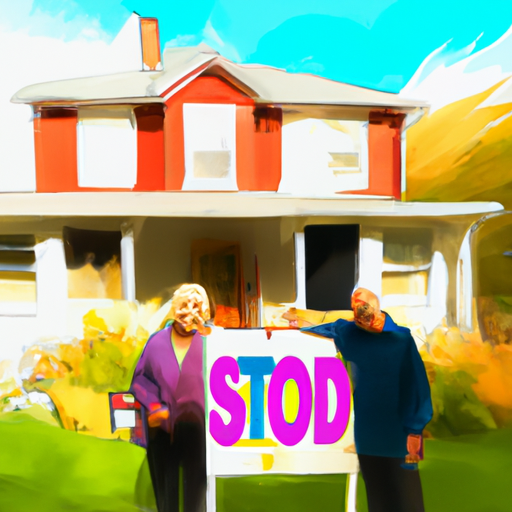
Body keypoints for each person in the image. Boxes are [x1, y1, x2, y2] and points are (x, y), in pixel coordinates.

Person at [300, 287, 433, 512]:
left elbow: (416, 386)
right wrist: (288, 324)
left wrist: (415, 429)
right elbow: (319, 326)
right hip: (369, 439)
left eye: (361, 306)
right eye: (354, 307)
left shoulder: (401, 340)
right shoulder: (348, 332)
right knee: (378, 502)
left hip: (400, 437)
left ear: (375, 307)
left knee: (408, 502)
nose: (357, 312)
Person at [131, 283, 212, 512]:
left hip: (199, 433)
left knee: (195, 497)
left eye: (195, 305)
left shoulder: (210, 343)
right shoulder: (156, 342)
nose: (189, 311)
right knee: (166, 498)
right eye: (184, 305)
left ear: (203, 310)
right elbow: (140, 380)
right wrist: (154, 405)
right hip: (162, 432)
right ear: (175, 308)